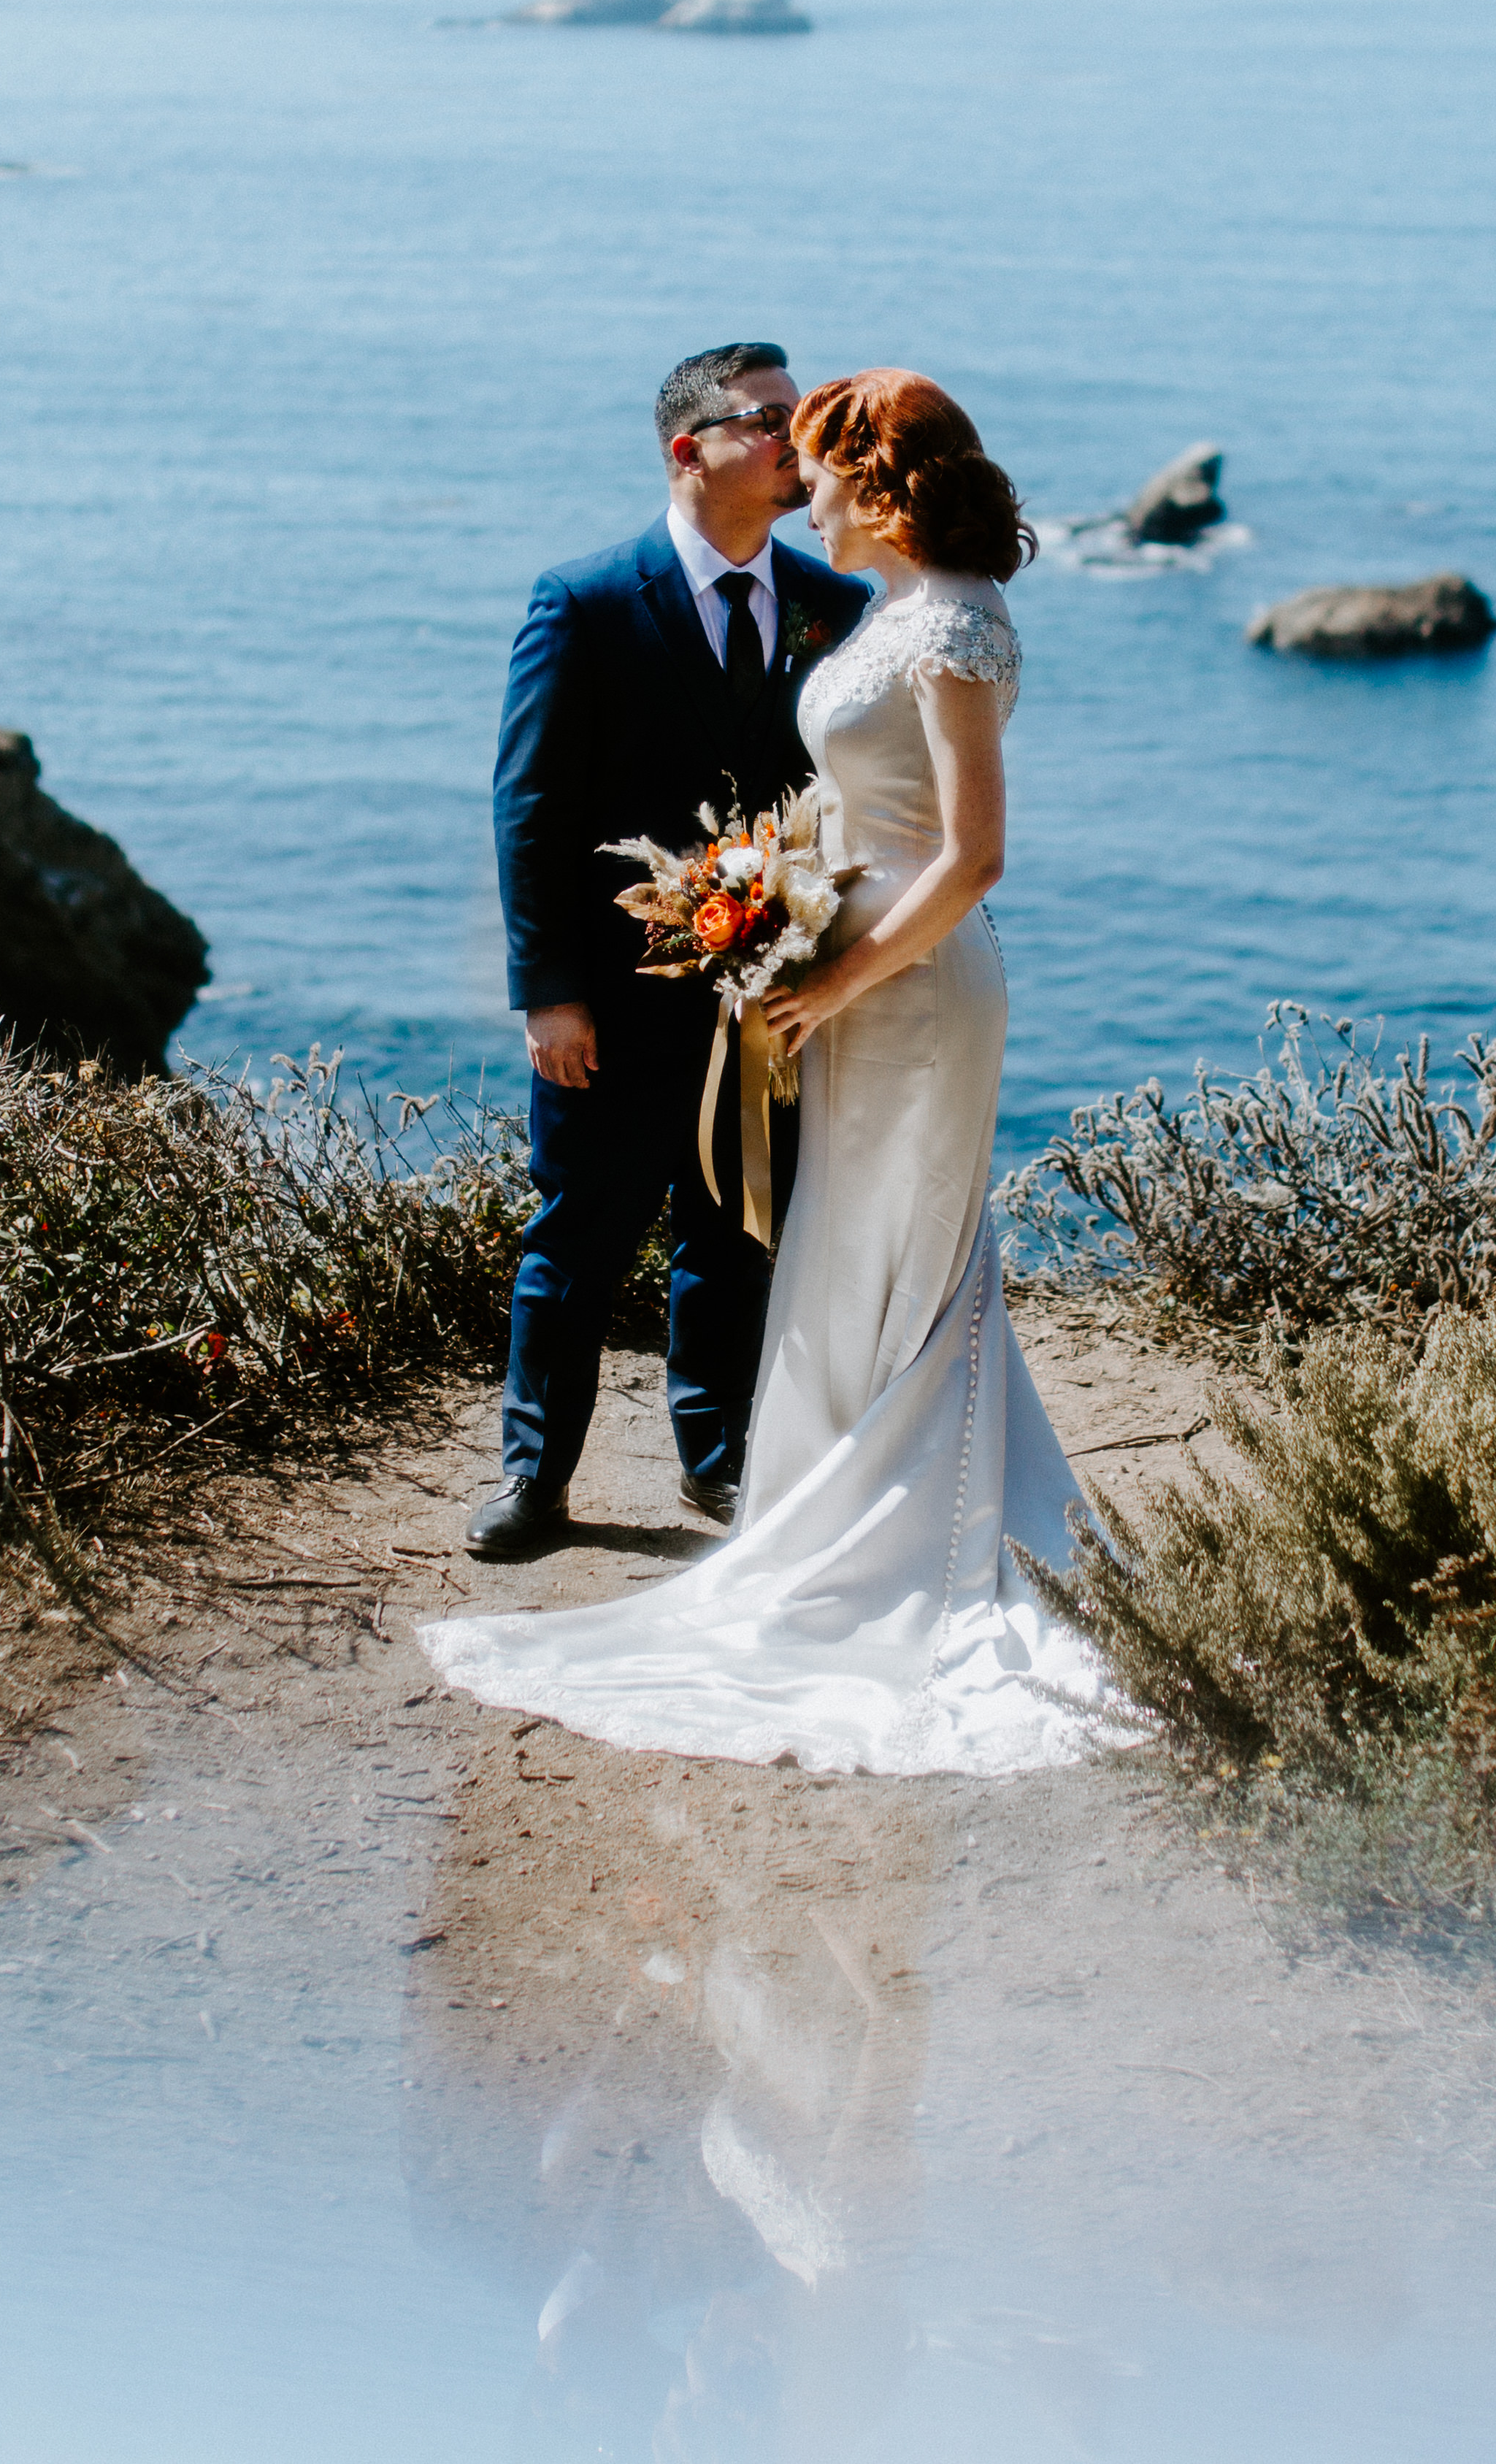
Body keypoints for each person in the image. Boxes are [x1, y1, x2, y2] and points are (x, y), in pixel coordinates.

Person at [425, 372, 1127, 1775]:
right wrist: (728, 915)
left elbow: (972, 852)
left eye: (818, 465)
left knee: (875, 1249)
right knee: (804, 1241)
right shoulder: (666, 601)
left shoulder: (935, 619)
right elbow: (540, 798)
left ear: (874, 487)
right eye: (780, 449)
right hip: (807, 977)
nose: (800, 490)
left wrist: (834, 972)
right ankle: (667, 1491)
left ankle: (884, 1523)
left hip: (895, 992)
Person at [475, 343, 872, 1561]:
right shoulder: (585, 602)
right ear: (684, 447)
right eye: (766, 421)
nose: (794, 444)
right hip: (612, 997)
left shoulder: (834, 605)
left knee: (735, 1233)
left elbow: (848, 796)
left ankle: (718, 1462)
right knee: (577, 1236)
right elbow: (530, 807)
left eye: (799, 421)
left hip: (767, 997)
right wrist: (548, 994)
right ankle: (534, 1475)